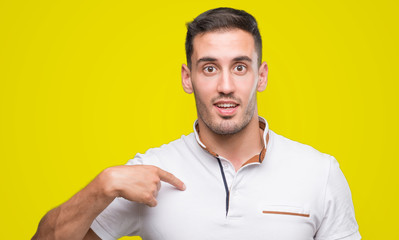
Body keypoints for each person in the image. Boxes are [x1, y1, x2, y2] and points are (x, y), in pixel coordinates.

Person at [32, 7, 360, 240]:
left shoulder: (319, 172)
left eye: (240, 67)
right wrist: (101, 186)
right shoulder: (150, 173)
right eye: (209, 68)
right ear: (187, 79)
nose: (226, 86)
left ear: (261, 77)